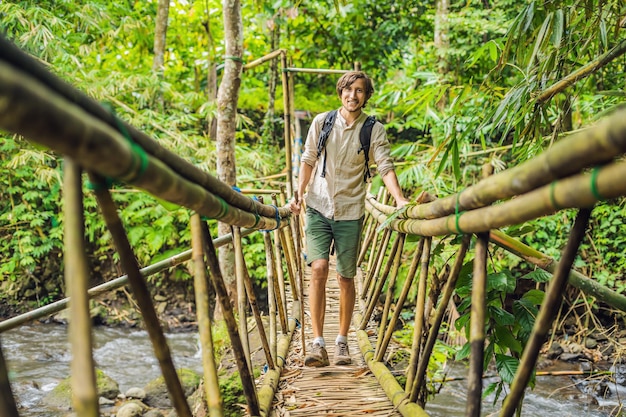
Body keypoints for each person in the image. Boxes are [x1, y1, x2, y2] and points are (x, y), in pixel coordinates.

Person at [289, 70, 409, 367]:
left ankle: (341, 341)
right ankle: (318, 343)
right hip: (318, 205)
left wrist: (399, 199)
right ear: (340, 92)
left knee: (345, 277)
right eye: (348, 89)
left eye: (359, 91)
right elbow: (308, 160)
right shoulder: (323, 122)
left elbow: (384, 165)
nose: (352, 95)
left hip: (351, 211)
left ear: (366, 96)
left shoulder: (373, 129)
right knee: (318, 268)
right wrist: (298, 193)